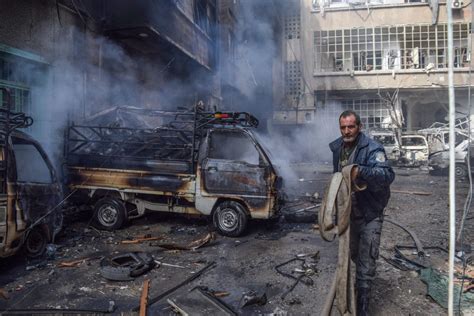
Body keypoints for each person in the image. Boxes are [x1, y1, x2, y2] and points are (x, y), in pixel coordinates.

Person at [329, 110, 395, 316]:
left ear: (359, 127)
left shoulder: (373, 148)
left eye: (351, 127)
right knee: (355, 255)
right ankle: (359, 286)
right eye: (343, 127)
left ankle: (363, 308)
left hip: (370, 212)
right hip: (349, 212)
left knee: (366, 260)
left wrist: (361, 171)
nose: (347, 131)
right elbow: (337, 179)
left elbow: (387, 175)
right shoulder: (338, 148)